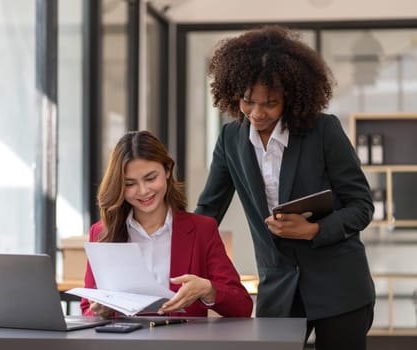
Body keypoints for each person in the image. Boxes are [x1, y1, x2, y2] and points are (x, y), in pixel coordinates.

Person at [195, 25, 375, 350]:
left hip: (340, 286)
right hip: (278, 290)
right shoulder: (231, 140)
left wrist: (315, 230)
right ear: (235, 92)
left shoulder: (323, 131)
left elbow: (361, 205)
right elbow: (208, 211)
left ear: (290, 97)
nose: (258, 113)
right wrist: (176, 257)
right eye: (249, 102)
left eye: (271, 103)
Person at [80, 130, 253, 318]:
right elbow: (87, 311)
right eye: (129, 184)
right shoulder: (102, 232)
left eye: (150, 178)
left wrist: (207, 289)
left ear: (168, 171)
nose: (143, 191)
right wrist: (101, 311)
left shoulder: (202, 230)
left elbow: (242, 305)